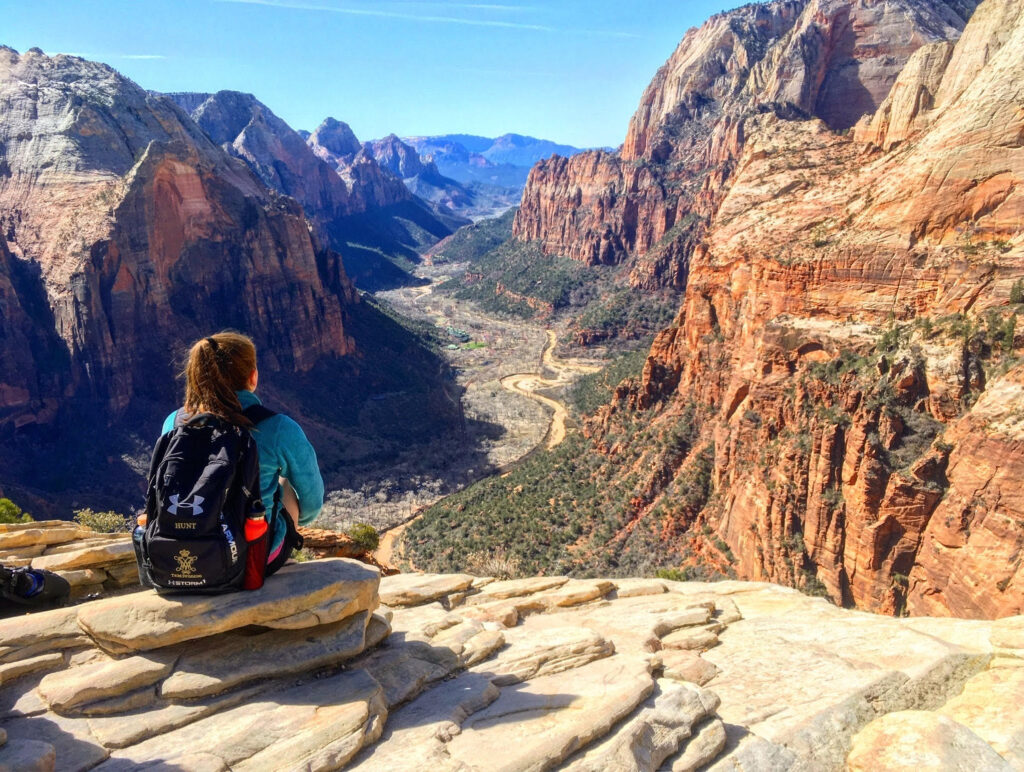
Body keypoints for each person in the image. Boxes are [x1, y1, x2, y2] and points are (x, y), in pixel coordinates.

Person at [145, 332, 324, 574]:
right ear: (253, 376)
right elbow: (312, 502)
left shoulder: (174, 423)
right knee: (285, 485)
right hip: (250, 561)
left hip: (175, 560)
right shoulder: (278, 427)